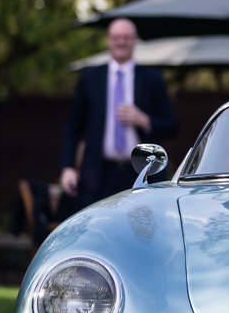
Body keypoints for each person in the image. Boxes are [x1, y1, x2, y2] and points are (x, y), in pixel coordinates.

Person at [60, 18, 179, 206]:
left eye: (126, 37)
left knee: (142, 231)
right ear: (108, 40)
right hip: (98, 177)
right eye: (116, 37)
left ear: (135, 40)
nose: (121, 42)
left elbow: (172, 126)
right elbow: (73, 127)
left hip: (142, 175)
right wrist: (67, 167)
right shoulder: (90, 78)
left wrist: (145, 121)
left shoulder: (152, 78)